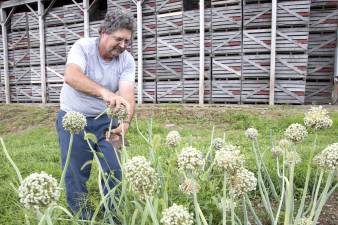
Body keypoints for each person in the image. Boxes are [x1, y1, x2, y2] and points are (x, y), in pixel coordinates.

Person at [55, 9, 135, 219]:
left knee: (114, 169)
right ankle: (82, 217)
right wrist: (103, 92)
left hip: (105, 122)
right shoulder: (82, 47)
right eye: (119, 39)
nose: (123, 46)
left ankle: (113, 215)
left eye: (127, 41)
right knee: (75, 173)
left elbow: (127, 94)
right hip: (73, 118)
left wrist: (125, 123)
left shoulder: (126, 60)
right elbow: (71, 76)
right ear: (103, 32)